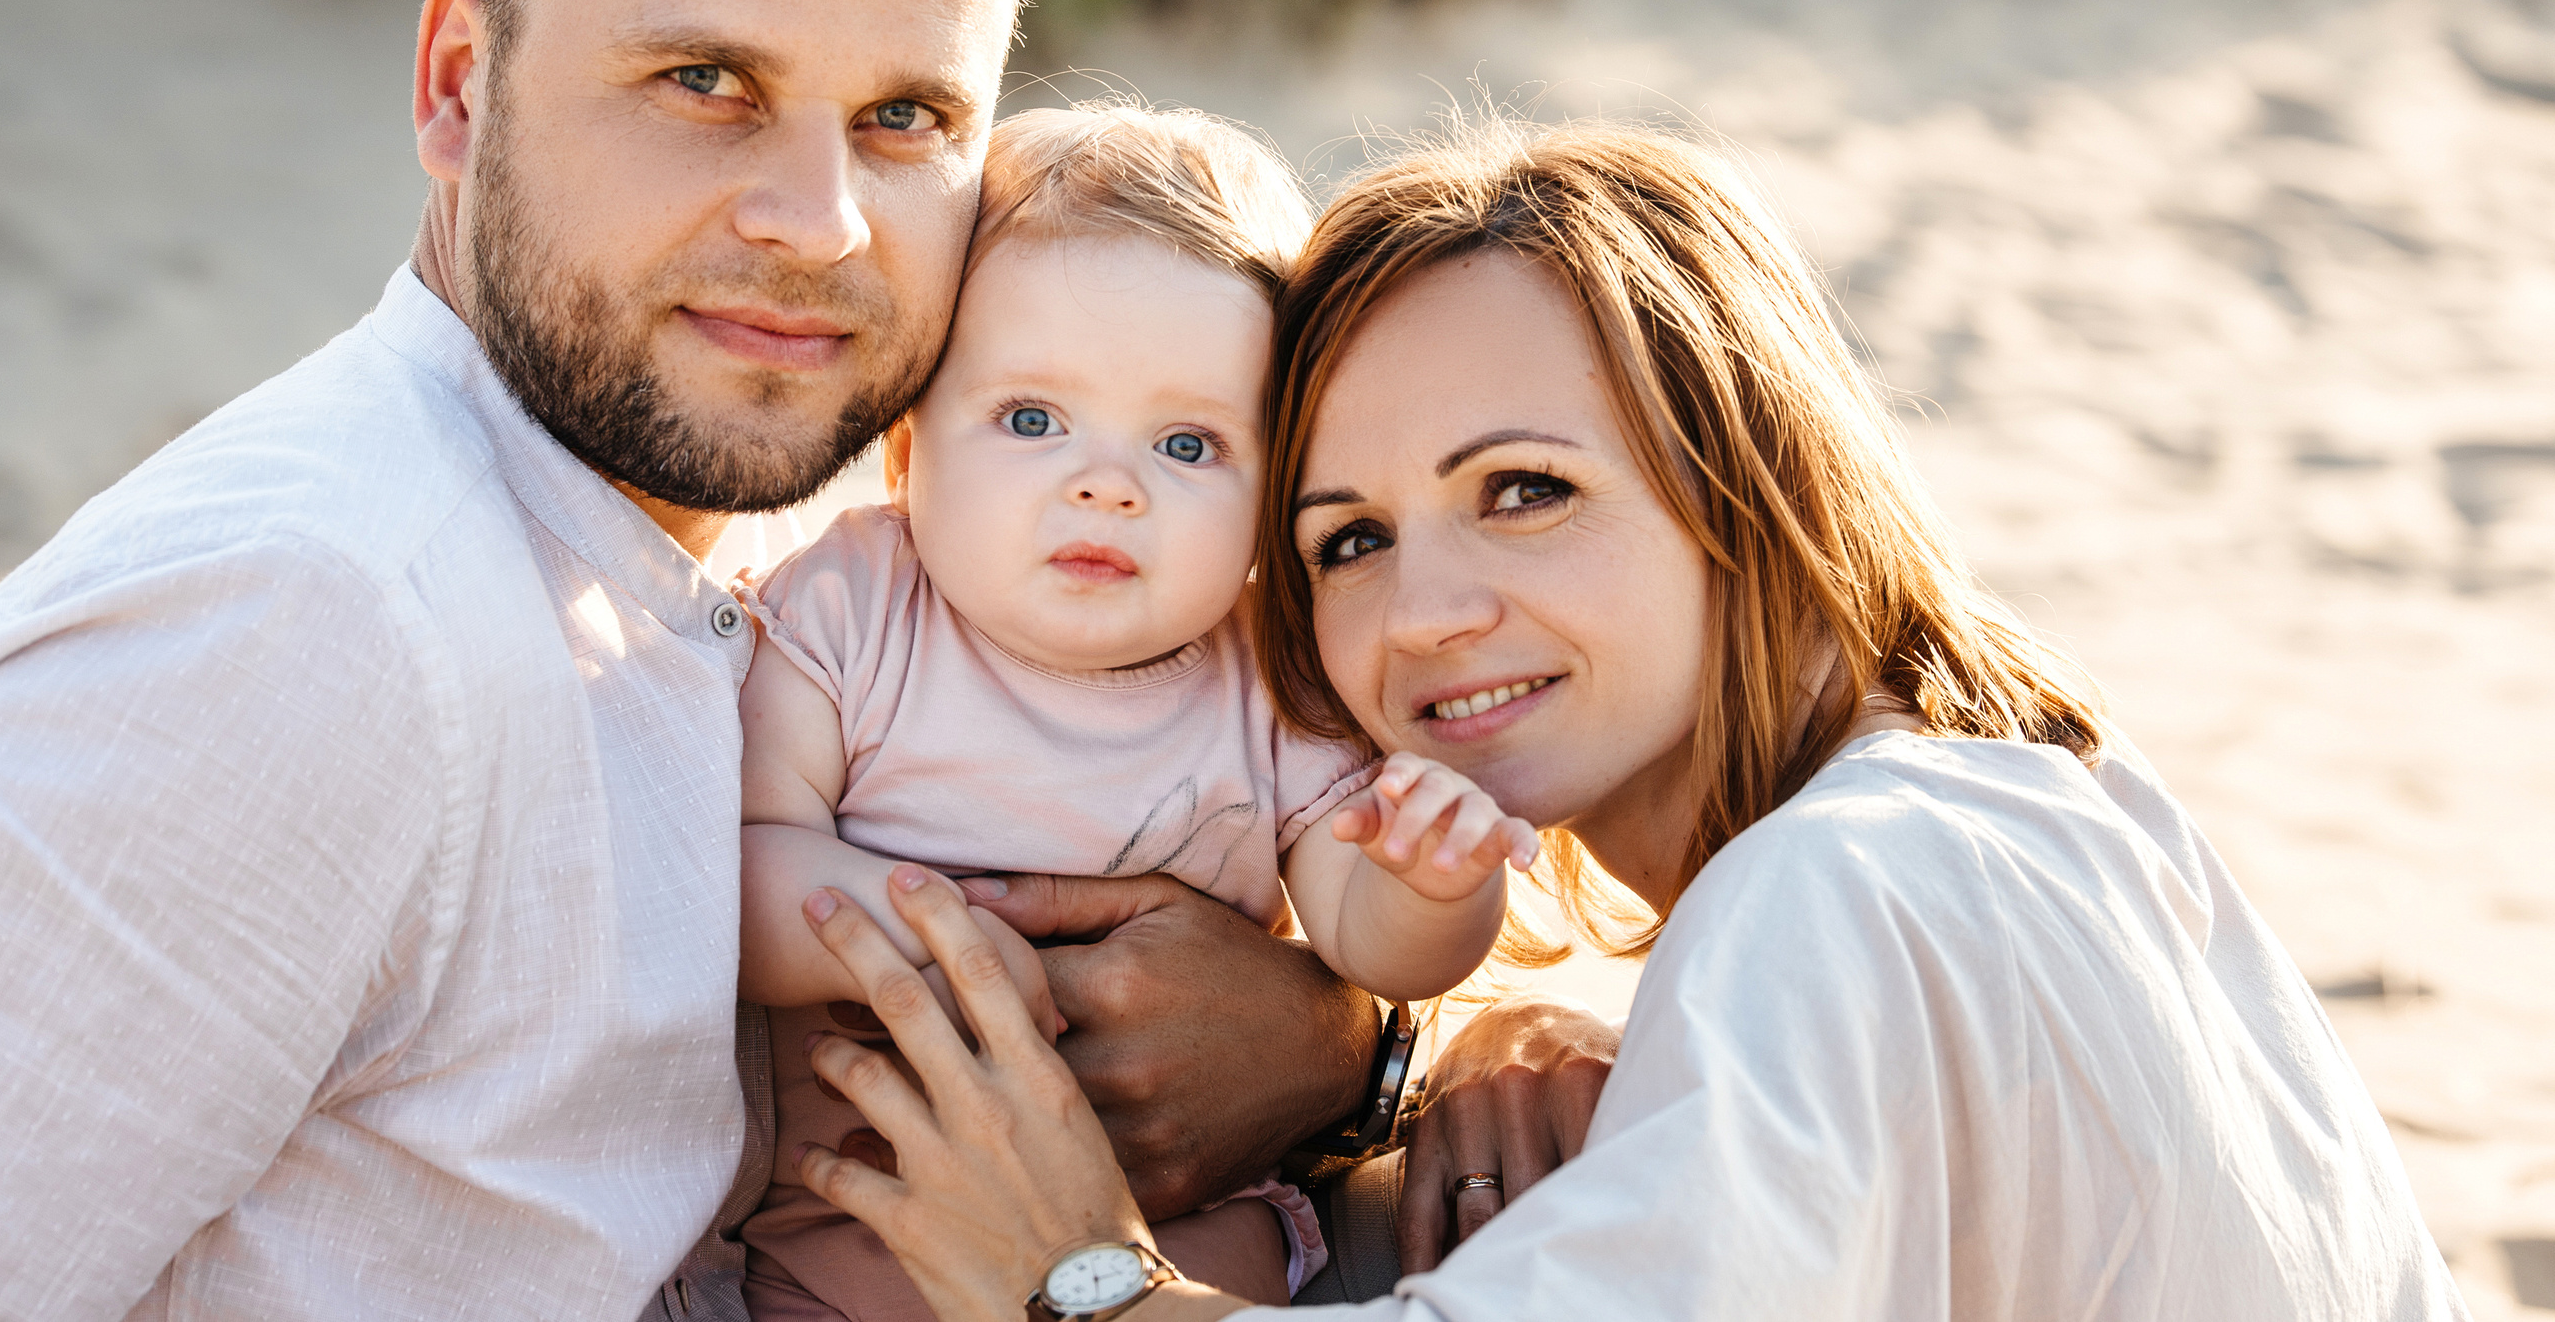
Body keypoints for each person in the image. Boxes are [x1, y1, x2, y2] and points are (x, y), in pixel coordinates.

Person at [0, 0, 1608, 1320]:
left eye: (907, 114)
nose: (819, 217)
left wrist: (1348, 1048)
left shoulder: (794, 508)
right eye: (708, 81)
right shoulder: (303, 622)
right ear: (459, 83)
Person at [767, 120, 2468, 1320]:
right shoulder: (2043, 809)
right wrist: (1388, 1062)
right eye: (1346, 537)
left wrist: (1072, 1277)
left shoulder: (1848, 887)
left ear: (1748, 473)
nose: (1420, 613)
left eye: (1523, 487)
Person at [732, 105, 1540, 1318]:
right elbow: (738, 865)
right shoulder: (855, 603)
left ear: (1273, 498)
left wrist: (1437, 882)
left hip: (1176, 1232)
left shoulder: (1270, 683)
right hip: (841, 1240)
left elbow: (1370, 944)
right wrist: (920, 934)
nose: (1106, 483)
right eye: (1030, 419)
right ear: (906, 452)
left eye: (1186, 441)